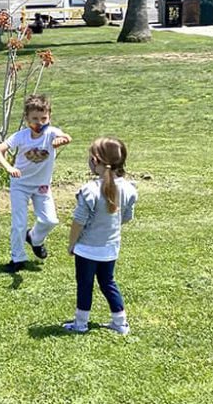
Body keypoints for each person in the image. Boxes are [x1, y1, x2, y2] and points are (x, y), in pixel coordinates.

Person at [63, 137, 138, 335]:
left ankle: (80, 324)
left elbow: (78, 222)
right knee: (108, 282)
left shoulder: (89, 190)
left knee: (85, 285)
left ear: (95, 161)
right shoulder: (129, 189)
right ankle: (120, 323)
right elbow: (126, 217)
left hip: (87, 249)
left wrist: (72, 244)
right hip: (110, 248)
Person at [0, 95, 72, 273]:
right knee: (19, 223)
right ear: (27, 118)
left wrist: (62, 139)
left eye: (44, 118)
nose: (39, 122)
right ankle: (17, 259)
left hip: (42, 186)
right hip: (20, 184)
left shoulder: (51, 133)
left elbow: (66, 137)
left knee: (50, 220)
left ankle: (34, 238)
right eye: (34, 119)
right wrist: (8, 167)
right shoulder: (21, 136)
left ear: (49, 117)